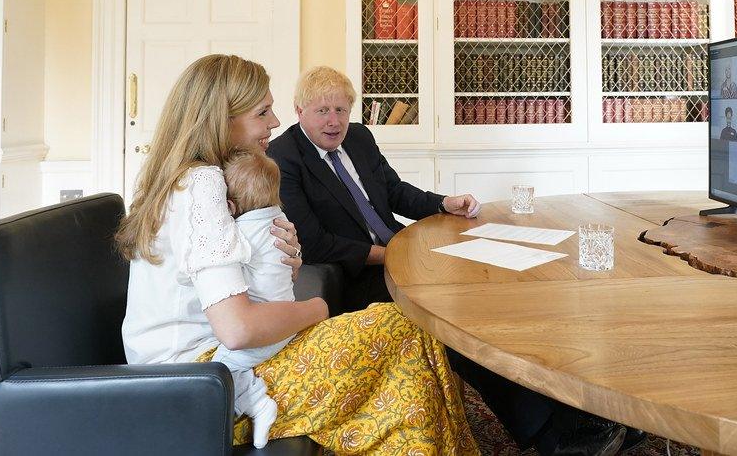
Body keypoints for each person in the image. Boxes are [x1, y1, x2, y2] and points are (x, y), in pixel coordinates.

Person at [268, 66, 644, 456]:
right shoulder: (283, 157)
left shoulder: (360, 137)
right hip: (357, 276)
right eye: (323, 111)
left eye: (342, 110)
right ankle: (558, 436)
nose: (334, 121)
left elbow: (394, 192)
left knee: (492, 298)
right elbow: (314, 243)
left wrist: (442, 203)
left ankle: (586, 414)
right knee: (457, 321)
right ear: (300, 110)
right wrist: (393, 254)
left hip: (401, 252)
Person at [119, 54, 479, 453]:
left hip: (199, 370)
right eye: (263, 112)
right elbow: (238, 329)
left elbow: (222, 295)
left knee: (403, 340)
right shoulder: (203, 185)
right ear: (223, 119)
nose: (274, 122)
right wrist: (318, 308)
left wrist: (279, 265)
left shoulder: (186, 177)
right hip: (203, 384)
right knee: (402, 328)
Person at [209, 148, 293, 448]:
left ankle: (256, 403)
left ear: (229, 205)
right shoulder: (280, 220)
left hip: (263, 328)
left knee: (220, 369)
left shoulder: (240, 232)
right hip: (284, 320)